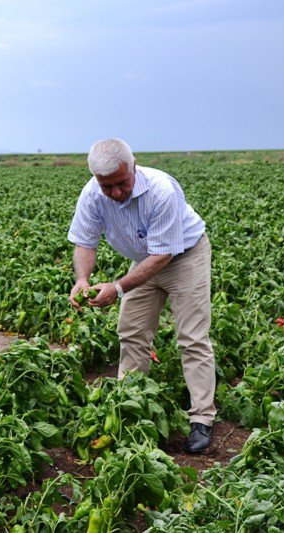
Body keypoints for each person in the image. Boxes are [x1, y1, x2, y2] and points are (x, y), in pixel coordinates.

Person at [67, 138, 216, 453]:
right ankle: (129, 406)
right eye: (108, 187)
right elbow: (85, 241)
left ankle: (201, 418)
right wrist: (82, 280)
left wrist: (118, 288)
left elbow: (163, 257)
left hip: (184, 256)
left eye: (122, 183)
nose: (116, 193)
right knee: (131, 332)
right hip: (144, 259)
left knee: (192, 337)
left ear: (133, 166)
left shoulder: (161, 190)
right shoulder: (92, 195)